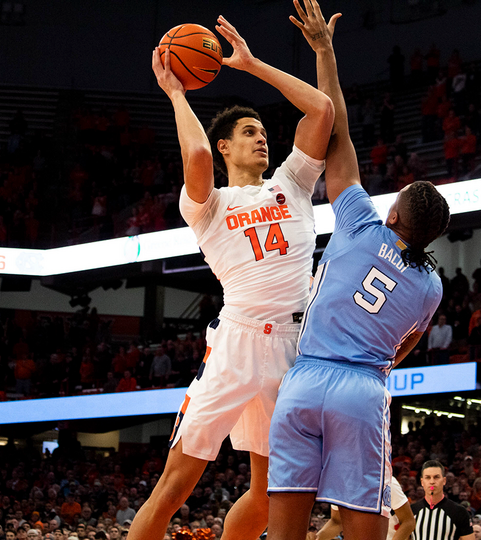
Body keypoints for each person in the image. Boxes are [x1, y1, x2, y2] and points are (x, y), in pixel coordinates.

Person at [129, 14, 334, 540]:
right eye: (249, 133)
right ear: (226, 147)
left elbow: (322, 109)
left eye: (265, 133)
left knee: (268, 497)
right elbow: (195, 151)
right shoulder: (208, 205)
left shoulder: (292, 182)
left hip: (293, 347)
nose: (262, 140)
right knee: (174, 485)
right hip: (236, 343)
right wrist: (175, 91)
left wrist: (251, 65)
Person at [267, 3, 449, 539]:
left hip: (302, 383)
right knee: (367, 529)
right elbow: (401, 350)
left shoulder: (359, 223)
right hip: (362, 389)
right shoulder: (429, 285)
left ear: (393, 214)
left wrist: (325, 51)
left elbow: (337, 131)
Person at [317, 476, 416, 540]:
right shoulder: (339, 485)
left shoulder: (386, 481)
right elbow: (337, 522)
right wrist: (317, 538)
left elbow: (408, 521)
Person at [412, 461, 476, 540]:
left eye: (436, 477)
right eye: (428, 477)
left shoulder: (459, 512)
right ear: (422, 482)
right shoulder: (411, 511)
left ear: (444, 481)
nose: (432, 482)